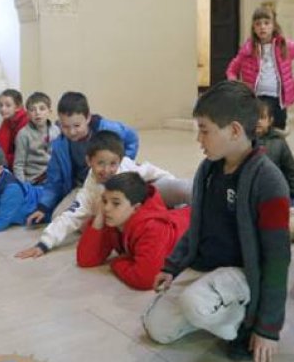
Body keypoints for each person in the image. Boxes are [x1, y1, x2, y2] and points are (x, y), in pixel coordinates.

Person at [143, 81, 292, 362]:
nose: (199, 139)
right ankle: (218, 309)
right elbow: (197, 226)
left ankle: (244, 324)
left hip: (244, 276)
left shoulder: (269, 181)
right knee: (157, 328)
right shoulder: (208, 169)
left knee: (194, 304)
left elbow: (277, 260)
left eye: (205, 130)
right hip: (209, 270)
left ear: (235, 131)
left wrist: (269, 327)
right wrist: (172, 266)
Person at [14, 130, 188, 259]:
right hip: (136, 218)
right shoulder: (90, 190)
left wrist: (168, 191)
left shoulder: (127, 166)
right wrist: (44, 243)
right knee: (82, 221)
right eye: (100, 164)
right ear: (89, 161)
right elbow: (70, 216)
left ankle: (192, 204)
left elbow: (154, 172)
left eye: (113, 164)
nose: (107, 170)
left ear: (120, 161)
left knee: (181, 188)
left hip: (148, 199)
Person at [30, 91, 140, 224]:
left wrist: (122, 165)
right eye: (65, 126)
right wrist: (43, 206)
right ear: (59, 122)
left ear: (87, 118)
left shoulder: (107, 128)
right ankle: (99, 220)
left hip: (112, 181)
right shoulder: (59, 145)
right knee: (57, 217)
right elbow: (54, 180)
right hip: (83, 187)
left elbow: (132, 137)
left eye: (77, 126)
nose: (71, 131)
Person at [77, 172, 191, 290]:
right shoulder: (114, 218)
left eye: (115, 203)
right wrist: (98, 219)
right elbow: (85, 260)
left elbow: (146, 279)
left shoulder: (152, 228)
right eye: (104, 201)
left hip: (199, 221)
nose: (107, 208)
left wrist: (117, 262)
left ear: (136, 208)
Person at [226, 3, 294, 130]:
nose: (262, 27)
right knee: (257, 133)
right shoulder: (247, 49)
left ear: (273, 26)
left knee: (277, 133)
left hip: (278, 101)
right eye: (258, 24)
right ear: (254, 28)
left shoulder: (285, 45)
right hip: (256, 100)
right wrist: (234, 83)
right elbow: (232, 69)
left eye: (266, 23)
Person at [255, 98, 294, 197]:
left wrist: (293, 196)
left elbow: (292, 173)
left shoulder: (279, 143)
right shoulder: (243, 143)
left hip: (275, 194)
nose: (258, 121)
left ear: (270, 120)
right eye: (254, 117)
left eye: (262, 117)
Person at [13, 91, 59, 185]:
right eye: (32, 110)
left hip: (53, 179)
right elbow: (18, 165)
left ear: (49, 111)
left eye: (42, 109)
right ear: (27, 114)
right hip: (33, 181)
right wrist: (23, 188)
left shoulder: (56, 131)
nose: (37, 113)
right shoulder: (23, 134)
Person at [0, 88, 29, 167]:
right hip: (10, 162)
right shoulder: (7, 120)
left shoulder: (26, 122)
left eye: (8, 105)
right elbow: (1, 146)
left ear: (18, 107)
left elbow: (24, 156)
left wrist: (0, 159)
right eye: (0, 105)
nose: (3, 109)